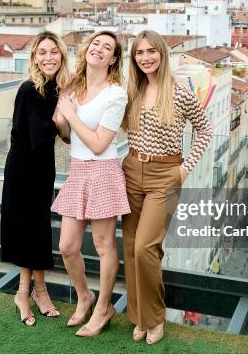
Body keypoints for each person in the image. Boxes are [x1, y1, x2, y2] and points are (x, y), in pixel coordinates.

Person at [121, 30, 212, 344]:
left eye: (151, 51)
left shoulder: (180, 93)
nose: (146, 57)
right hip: (131, 170)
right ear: (134, 58)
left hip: (165, 176)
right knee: (131, 249)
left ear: (162, 53)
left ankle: (155, 317)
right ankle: (139, 318)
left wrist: (184, 170)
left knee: (147, 247)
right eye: (139, 52)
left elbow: (205, 131)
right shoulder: (131, 90)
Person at [51, 30, 130, 337]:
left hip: (102, 171)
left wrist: (71, 113)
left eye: (106, 47)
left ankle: (104, 308)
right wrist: (62, 111)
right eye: (96, 43)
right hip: (77, 170)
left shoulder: (116, 93)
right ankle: (85, 296)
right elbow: (67, 134)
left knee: (103, 246)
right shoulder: (75, 84)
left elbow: (99, 144)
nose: (99, 48)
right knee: (67, 246)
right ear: (87, 49)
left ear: (113, 59)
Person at [1, 31, 70, 327]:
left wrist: (65, 107)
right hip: (23, 168)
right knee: (32, 230)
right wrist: (64, 110)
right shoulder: (29, 89)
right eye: (42, 52)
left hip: (43, 166)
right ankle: (31, 292)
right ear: (34, 58)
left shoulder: (57, 89)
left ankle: (29, 292)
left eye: (54, 51)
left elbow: (65, 136)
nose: (48, 57)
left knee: (39, 229)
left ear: (62, 56)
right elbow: (43, 134)